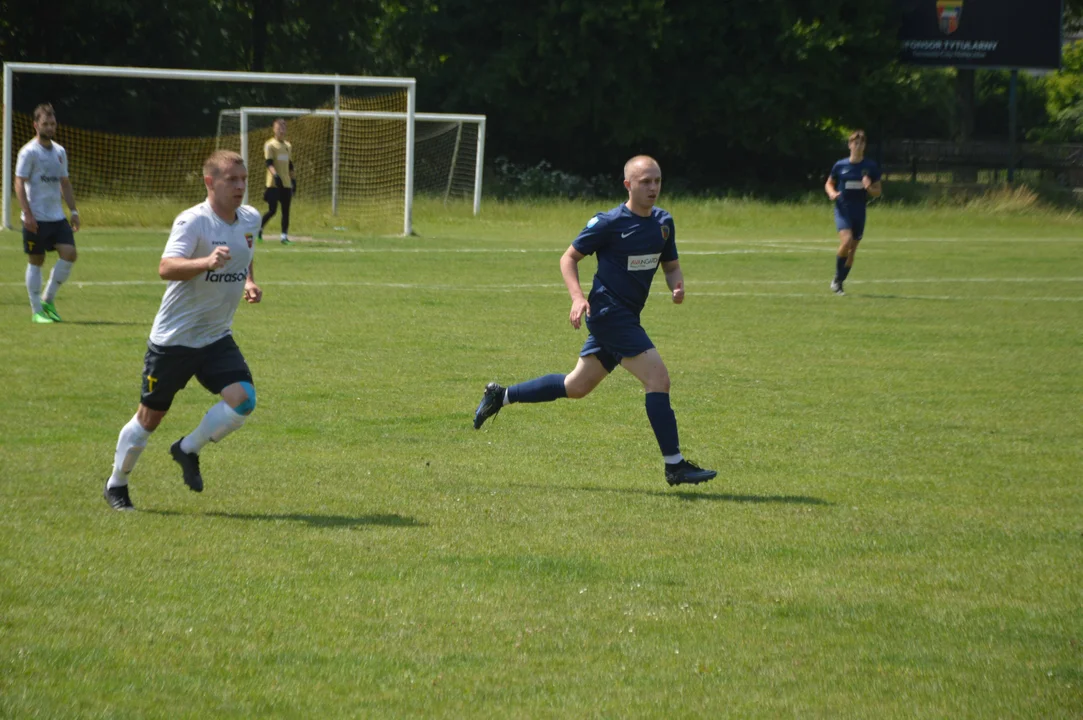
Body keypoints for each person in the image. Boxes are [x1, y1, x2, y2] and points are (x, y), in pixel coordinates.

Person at [472, 155, 717, 487]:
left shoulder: (663, 223)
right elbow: (568, 258)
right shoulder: (608, 223)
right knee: (658, 379)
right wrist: (577, 297)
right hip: (607, 314)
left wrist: (677, 284)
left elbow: (670, 264)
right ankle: (675, 465)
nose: (653, 187)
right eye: (645, 182)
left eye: (657, 181)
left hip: (625, 316)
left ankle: (501, 395)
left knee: (577, 386)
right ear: (628, 185)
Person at [104, 150, 264, 511]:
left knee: (244, 400)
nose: (240, 186)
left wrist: (250, 280)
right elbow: (165, 267)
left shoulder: (250, 218)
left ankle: (187, 449)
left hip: (216, 336)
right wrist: (205, 262)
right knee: (149, 418)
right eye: (231, 180)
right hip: (174, 340)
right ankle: (117, 484)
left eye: (243, 179)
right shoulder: (193, 222)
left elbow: (246, 249)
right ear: (210, 182)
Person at [15, 103, 81, 323]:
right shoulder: (29, 152)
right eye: (46, 124)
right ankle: (36, 311)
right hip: (36, 219)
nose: (50, 128)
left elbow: (64, 183)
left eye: (53, 124)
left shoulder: (60, 152)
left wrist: (73, 210)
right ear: (36, 125)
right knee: (37, 260)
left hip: (57, 217)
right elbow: (18, 183)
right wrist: (28, 214)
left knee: (70, 253)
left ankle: (48, 299)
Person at [824, 129, 882, 295]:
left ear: (864, 146)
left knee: (852, 250)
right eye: (855, 143)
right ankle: (837, 277)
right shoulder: (840, 165)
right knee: (846, 241)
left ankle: (839, 281)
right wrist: (832, 193)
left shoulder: (870, 167)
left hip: (859, 211)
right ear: (849, 145)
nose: (858, 146)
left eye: (861, 143)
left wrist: (869, 187)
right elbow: (829, 183)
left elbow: (878, 191)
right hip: (843, 210)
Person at [259, 118, 296, 245]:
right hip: (273, 184)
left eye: (283, 128)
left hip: (286, 183)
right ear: (274, 129)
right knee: (272, 210)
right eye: (279, 128)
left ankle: (284, 237)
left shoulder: (288, 146)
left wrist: (293, 180)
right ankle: (259, 229)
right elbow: (268, 163)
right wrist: (275, 176)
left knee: (286, 210)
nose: (281, 130)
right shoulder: (270, 144)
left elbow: (290, 164)